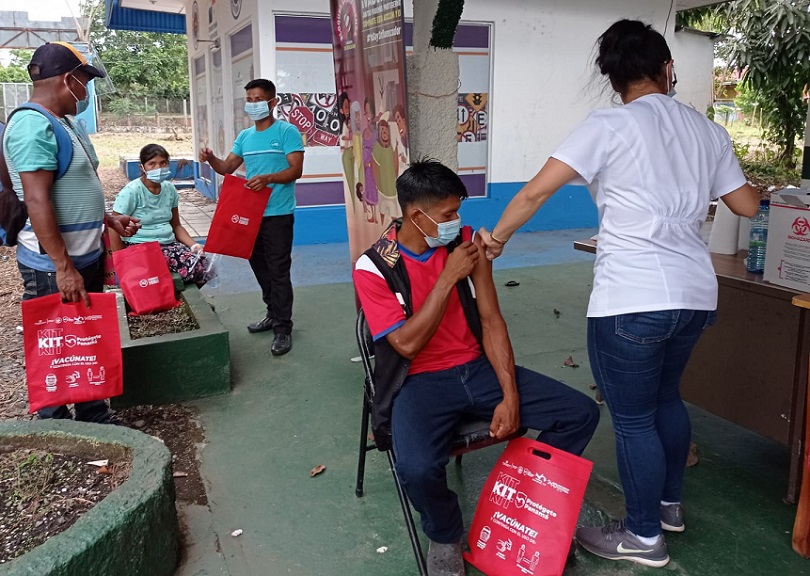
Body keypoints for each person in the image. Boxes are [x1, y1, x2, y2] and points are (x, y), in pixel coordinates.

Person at [480, 20, 760, 568]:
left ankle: (641, 536)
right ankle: (668, 506)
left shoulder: (608, 126)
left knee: (633, 420)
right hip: (695, 294)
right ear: (667, 69)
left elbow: (537, 189)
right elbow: (747, 205)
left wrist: (496, 238)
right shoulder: (709, 131)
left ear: (612, 79)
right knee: (666, 400)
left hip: (631, 295)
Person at [353, 159, 599, 576]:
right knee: (415, 467)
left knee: (580, 414)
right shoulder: (374, 267)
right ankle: (445, 533)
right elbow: (407, 344)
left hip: (476, 369)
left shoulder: (463, 242)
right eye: (448, 214)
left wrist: (510, 395)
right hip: (417, 381)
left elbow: (491, 320)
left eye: (458, 212)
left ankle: (522, 503)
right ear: (418, 215)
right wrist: (448, 277)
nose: (457, 221)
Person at [7, 42, 141, 422]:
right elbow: (37, 201)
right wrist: (63, 267)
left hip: (85, 254)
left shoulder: (64, 123)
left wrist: (108, 218)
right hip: (53, 266)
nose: (86, 90)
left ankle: (92, 412)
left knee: (83, 336)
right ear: (69, 80)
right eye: (85, 81)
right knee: (55, 343)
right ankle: (56, 425)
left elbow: (77, 187)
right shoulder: (33, 126)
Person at [199, 79, 304, 356]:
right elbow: (227, 167)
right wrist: (210, 158)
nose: (253, 104)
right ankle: (272, 312)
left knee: (279, 270)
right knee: (259, 267)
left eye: (258, 99)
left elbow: (295, 170)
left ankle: (283, 327)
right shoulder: (245, 137)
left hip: (279, 214)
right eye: (250, 99)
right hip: (250, 216)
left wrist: (268, 178)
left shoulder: (286, 132)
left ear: (272, 102)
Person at [109, 144, 208, 286]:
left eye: (163, 163)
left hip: (168, 244)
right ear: (142, 167)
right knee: (162, 276)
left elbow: (176, 225)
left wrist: (194, 245)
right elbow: (113, 226)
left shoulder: (169, 189)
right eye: (152, 164)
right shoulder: (131, 192)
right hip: (140, 247)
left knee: (200, 264)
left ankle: (184, 301)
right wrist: (120, 260)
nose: (158, 168)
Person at [371, 118, 400, 226]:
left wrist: (395, 180)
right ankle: (382, 229)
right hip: (382, 189)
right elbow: (375, 167)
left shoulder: (392, 147)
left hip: (392, 189)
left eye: (386, 130)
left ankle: (395, 231)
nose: (384, 133)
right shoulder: (377, 148)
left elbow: (396, 164)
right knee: (382, 211)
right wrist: (378, 185)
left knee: (394, 212)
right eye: (382, 130)